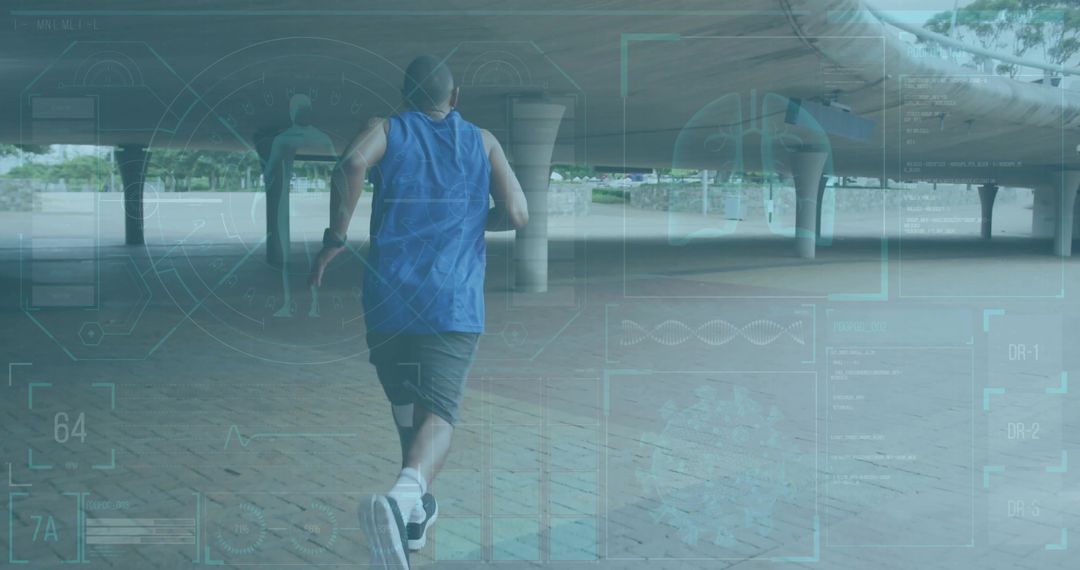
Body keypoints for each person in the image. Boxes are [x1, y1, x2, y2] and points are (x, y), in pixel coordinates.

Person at [308, 54, 528, 569]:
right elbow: (518, 213)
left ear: (405, 96)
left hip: (388, 300)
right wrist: (475, 220)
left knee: (407, 406)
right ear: (455, 98)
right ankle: (403, 498)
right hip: (451, 304)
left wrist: (335, 238)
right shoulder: (483, 141)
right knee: (440, 416)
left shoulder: (387, 129)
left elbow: (352, 163)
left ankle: (414, 514)